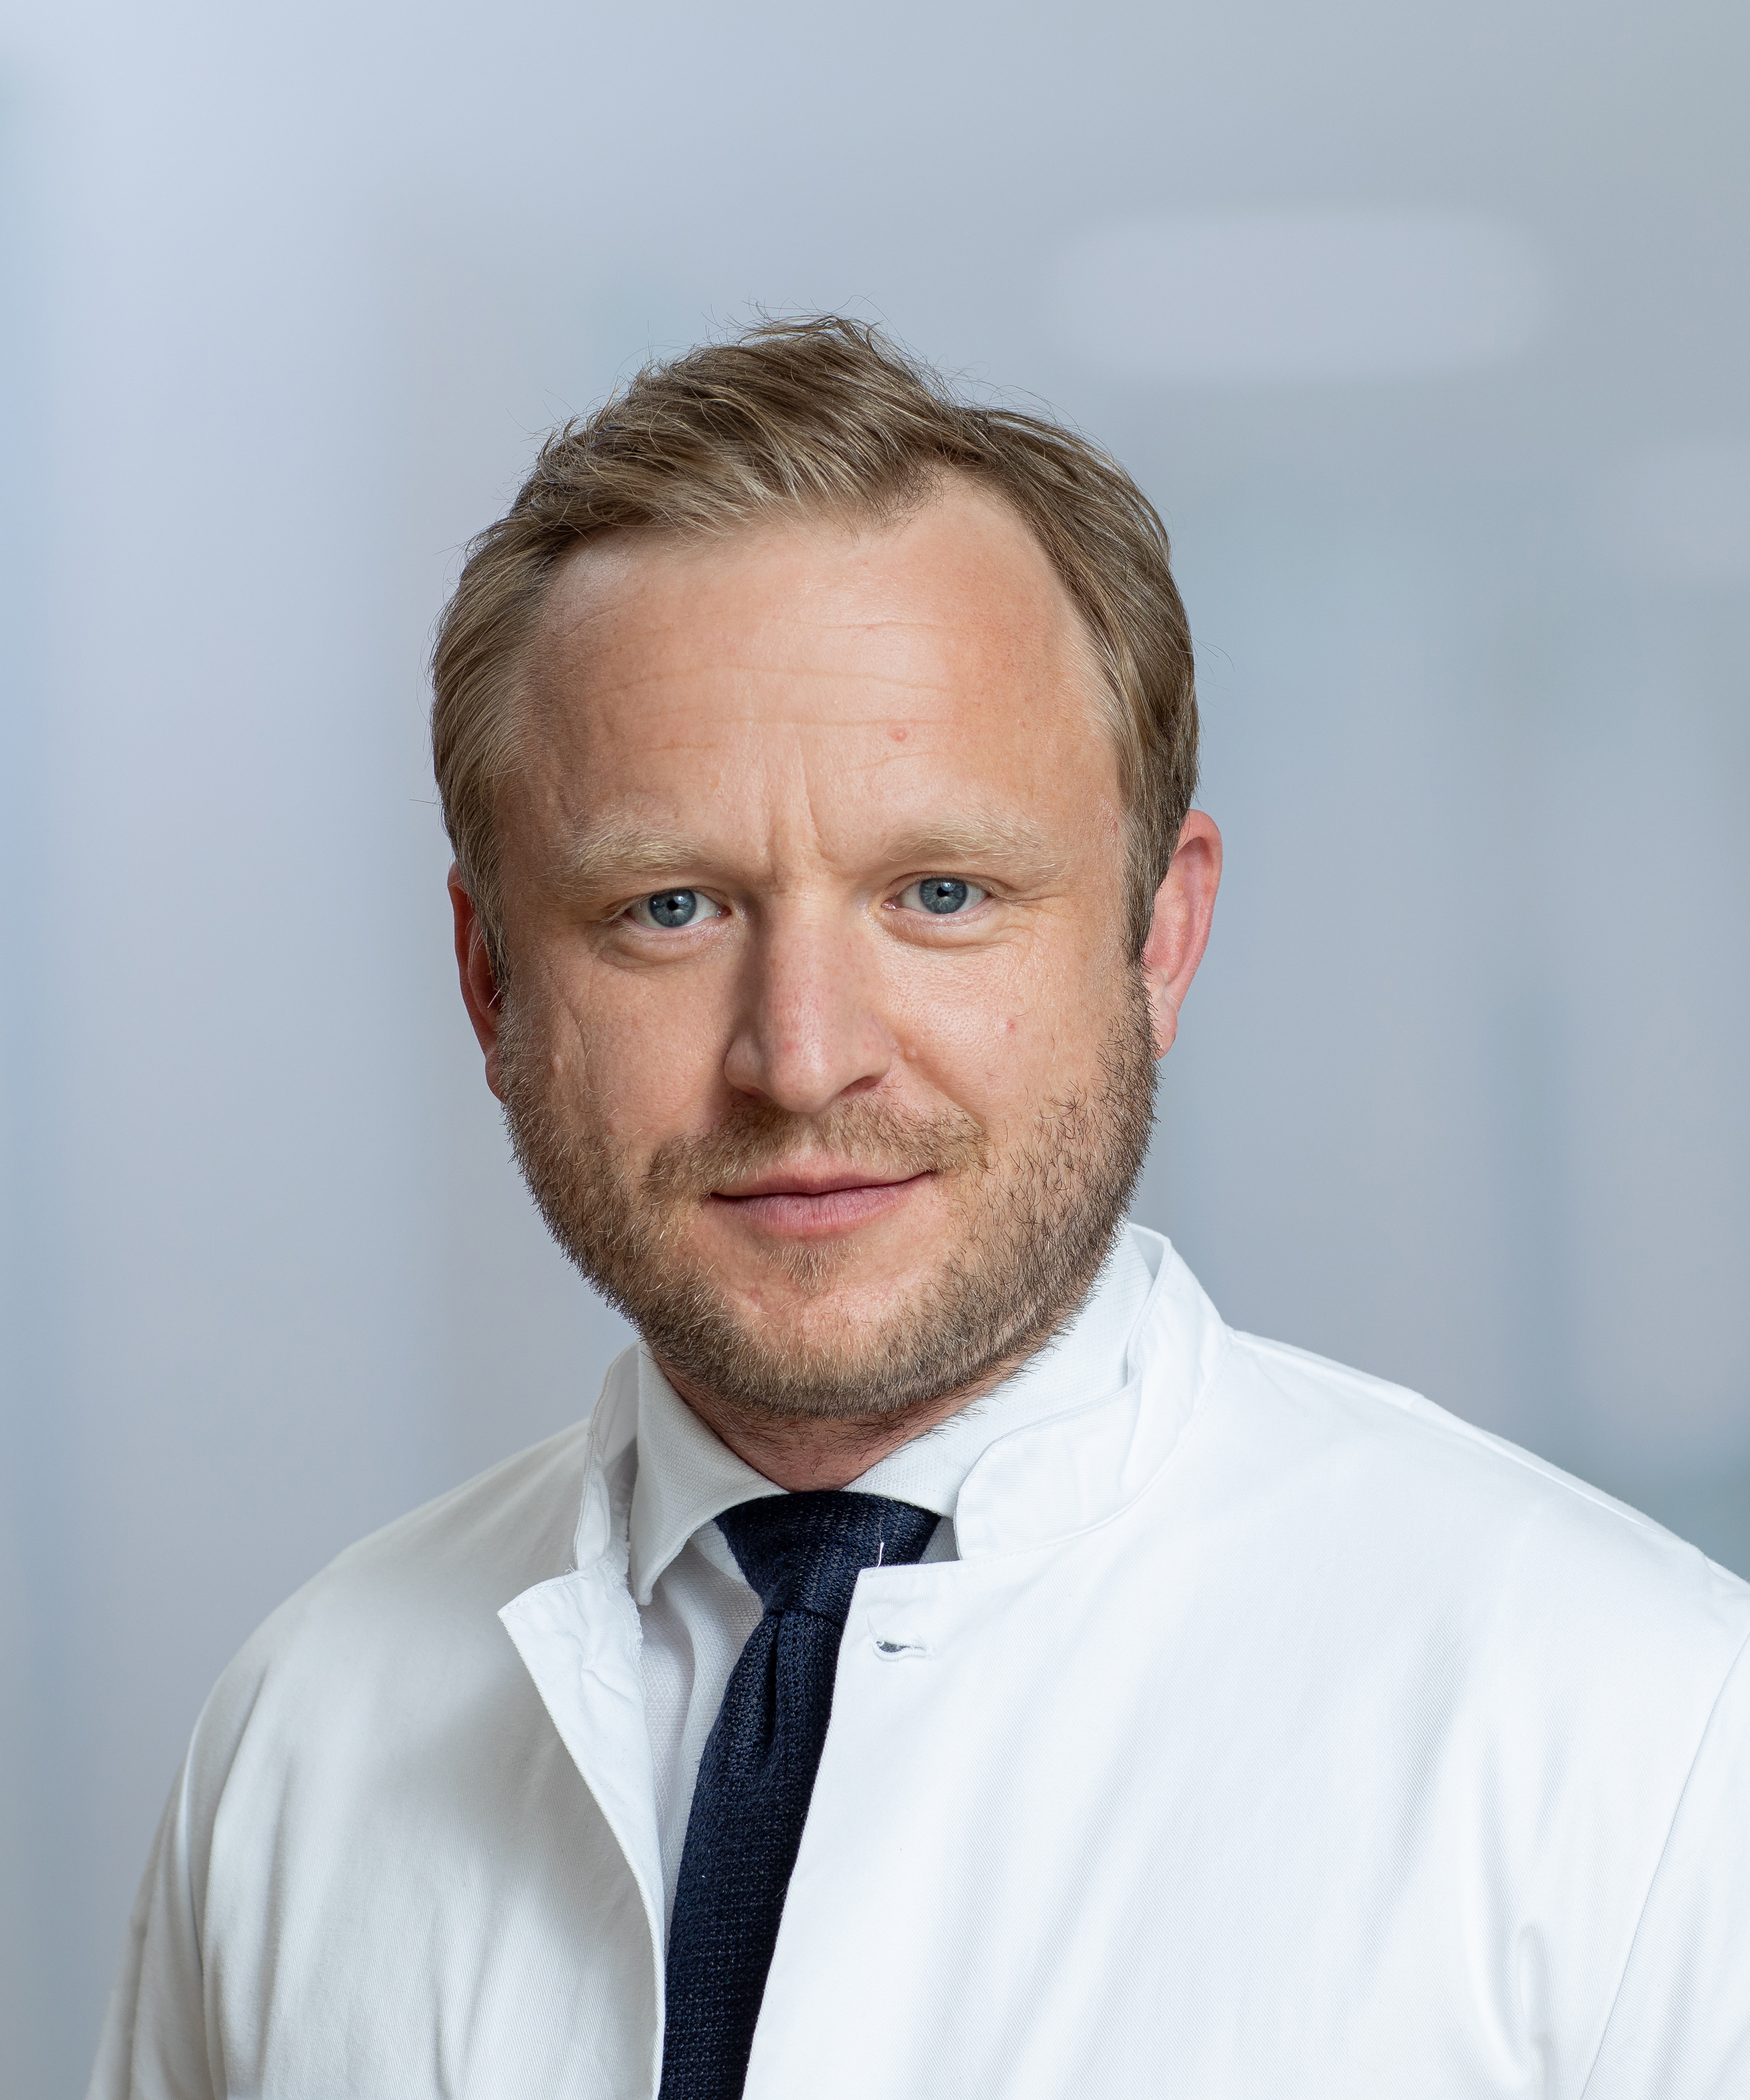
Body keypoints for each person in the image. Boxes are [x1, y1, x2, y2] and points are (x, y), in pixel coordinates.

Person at [93, 317, 1748, 2100]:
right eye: (669, 908)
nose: (802, 1061)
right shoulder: (304, 1732)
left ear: (1159, 936)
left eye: (940, 891)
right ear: (491, 980)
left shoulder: (1642, 1745)